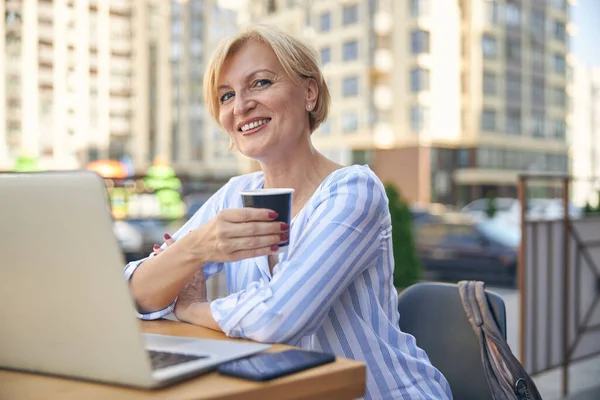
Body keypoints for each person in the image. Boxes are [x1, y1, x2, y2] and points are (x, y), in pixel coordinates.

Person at [125, 24, 452, 400]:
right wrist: (196, 247)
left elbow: (279, 319)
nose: (241, 105)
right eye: (227, 95)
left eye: (260, 83)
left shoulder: (353, 190)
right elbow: (137, 295)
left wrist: (193, 308)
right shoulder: (235, 194)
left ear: (309, 93)